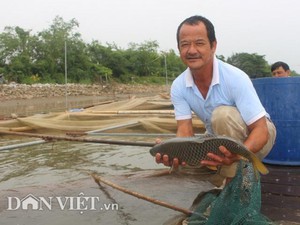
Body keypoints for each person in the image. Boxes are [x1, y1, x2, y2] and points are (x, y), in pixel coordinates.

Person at [155, 15, 276, 185]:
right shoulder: (178, 85)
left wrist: (237, 155)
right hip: (217, 137)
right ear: (179, 49)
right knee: (182, 169)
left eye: (199, 43)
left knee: (222, 115)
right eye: (185, 44)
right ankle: (223, 177)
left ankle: (229, 185)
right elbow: (185, 131)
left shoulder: (235, 78)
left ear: (213, 46)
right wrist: (174, 151)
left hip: (259, 135)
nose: (191, 50)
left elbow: (261, 130)